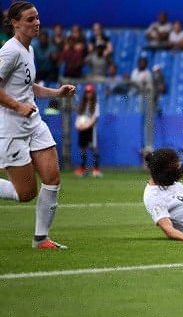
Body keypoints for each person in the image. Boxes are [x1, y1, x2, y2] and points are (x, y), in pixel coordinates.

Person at [0, 1, 77, 249]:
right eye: (30, 19)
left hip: (33, 123)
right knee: (26, 194)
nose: (37, 23)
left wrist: (57, 93)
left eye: (37, 18)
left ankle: (41, 239)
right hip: (11, 127)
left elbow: (26, 86)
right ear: (15, 23)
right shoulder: (9, 51)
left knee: (52, 178)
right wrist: (17, 106)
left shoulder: (29, 50)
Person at [74, 84, 101, 177]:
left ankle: (96, 169)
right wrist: (78, 125)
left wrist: (86, 126)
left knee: (94, 148)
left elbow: (95, 118)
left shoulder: (95, 105)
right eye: (87, 92)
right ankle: (82, 169)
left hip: (91, 129)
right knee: (83, 149)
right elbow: (78, 118)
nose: (88, 94)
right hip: (82, 129)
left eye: (90, 92)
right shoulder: (82, 105)